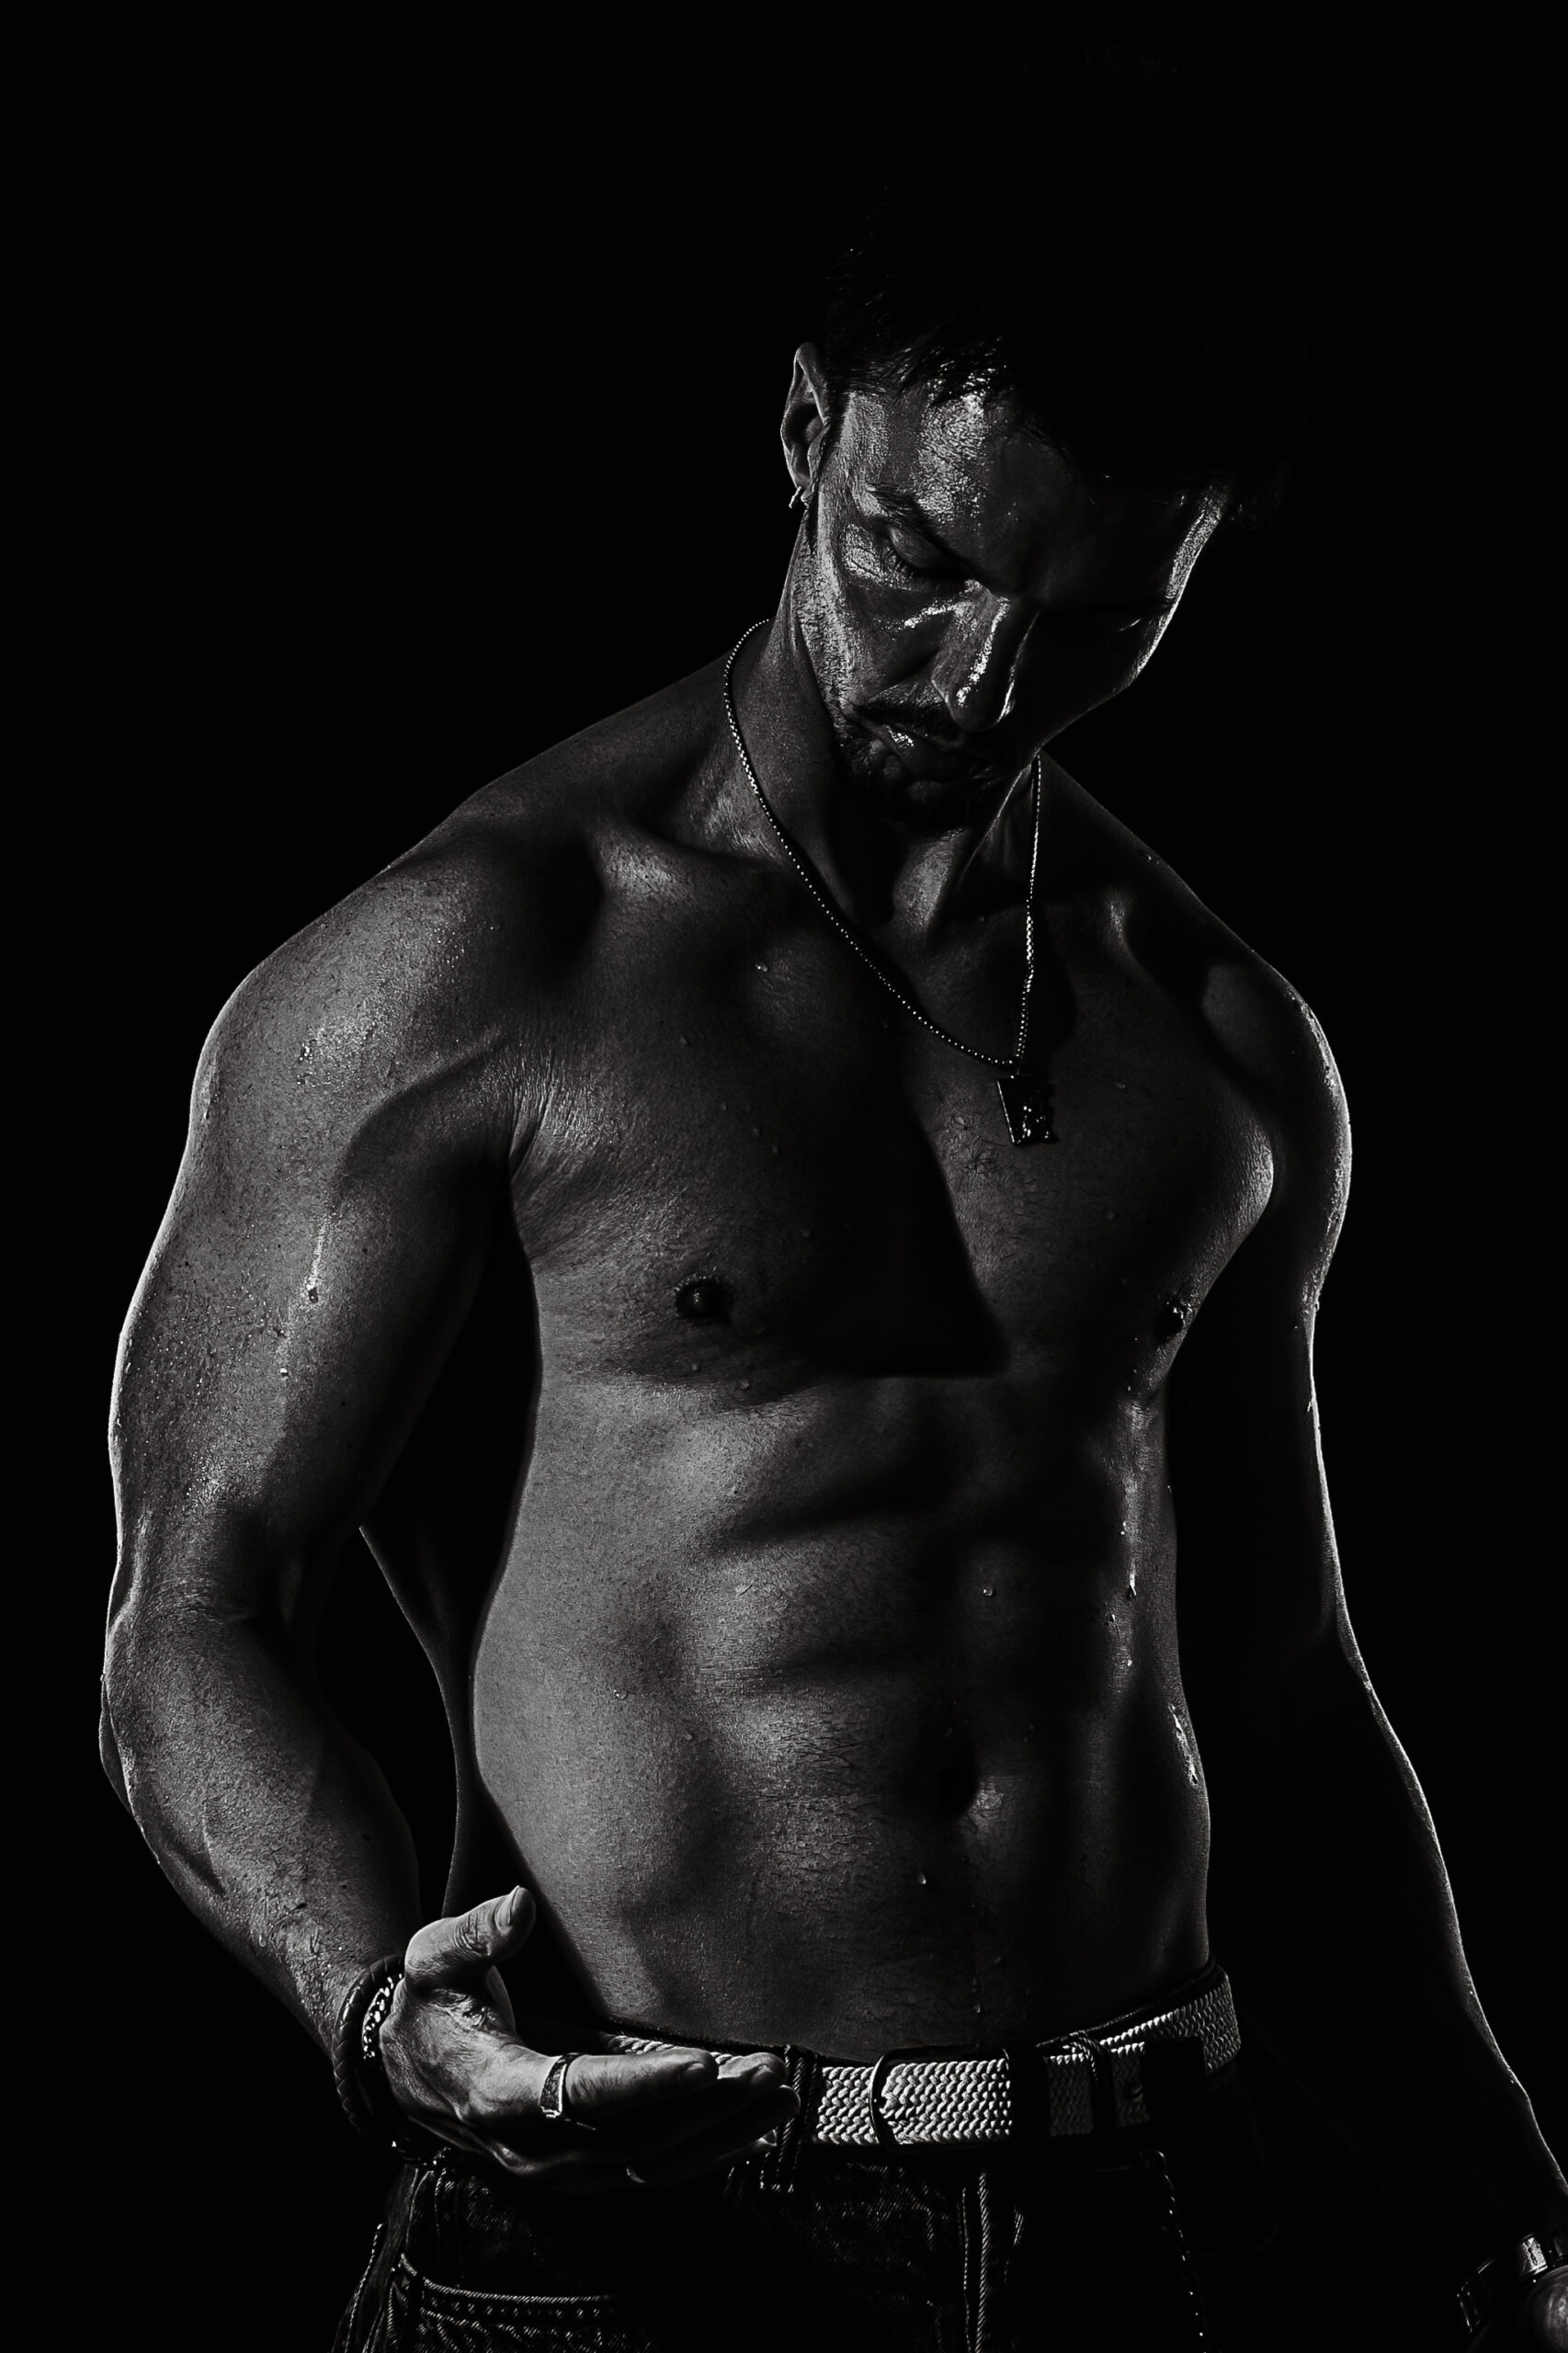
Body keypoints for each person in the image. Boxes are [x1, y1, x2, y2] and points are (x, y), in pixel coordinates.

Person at [100, 57, 1566, 2353]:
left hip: (1150, 2206)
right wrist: (380, 2005)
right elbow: (194, 1616)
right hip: (639, 2225)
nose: (982, 680)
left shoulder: (1221, 1044)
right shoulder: (461, 976)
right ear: (807, 432)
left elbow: (1278, 1684)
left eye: (1094, 617)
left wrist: (1503, 2201)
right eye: (925, 562)